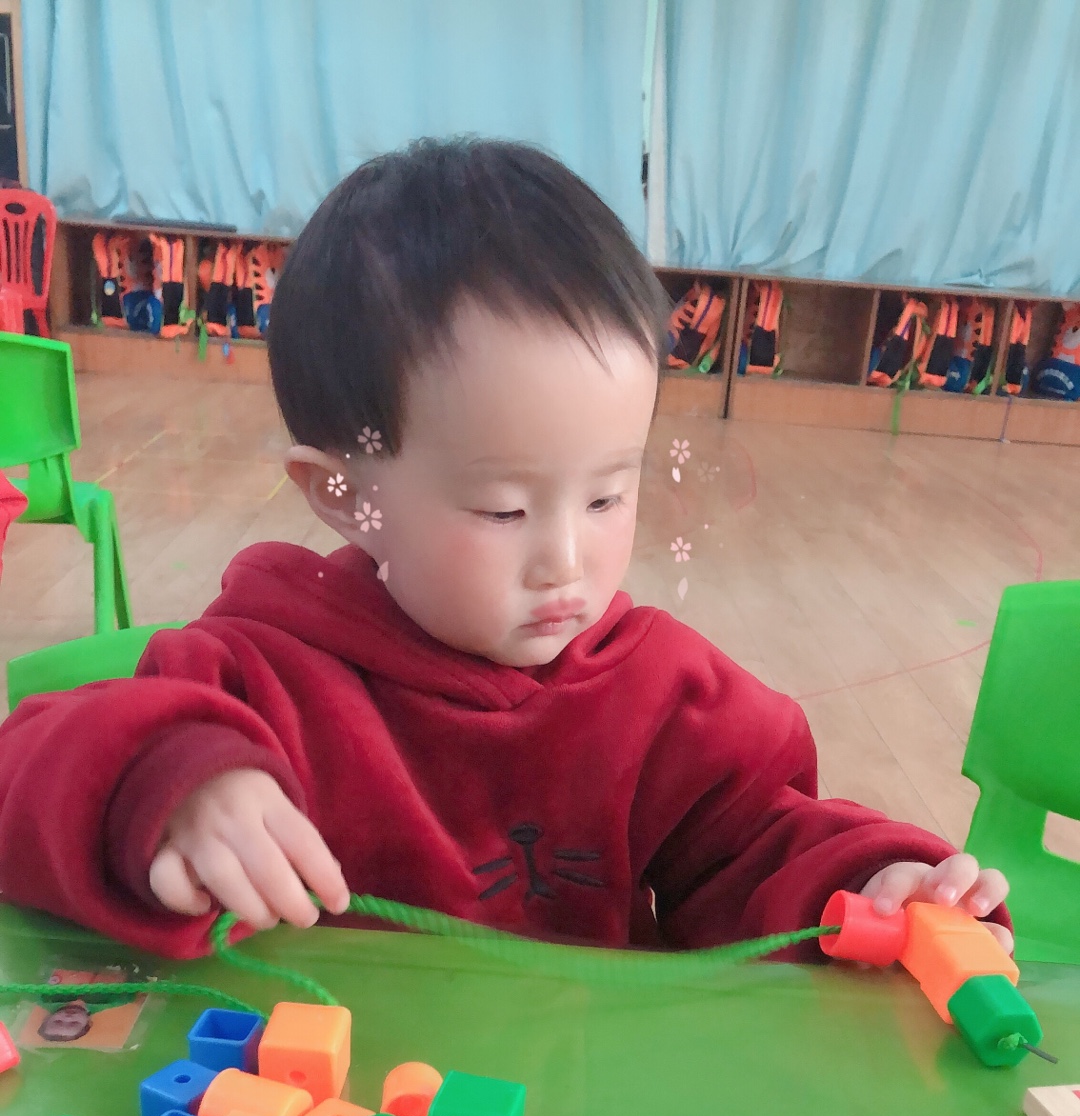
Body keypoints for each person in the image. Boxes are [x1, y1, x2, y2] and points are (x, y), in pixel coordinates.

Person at [0, 140, 1010, 959]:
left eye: (607, 495)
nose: (565, 560)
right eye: (502, 510)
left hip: (577, 1110)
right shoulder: (259, 678)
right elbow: (25, 777)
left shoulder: (662, 694)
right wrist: (171, 788)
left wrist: (876, 884)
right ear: (344, 495)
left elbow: (756, 843)